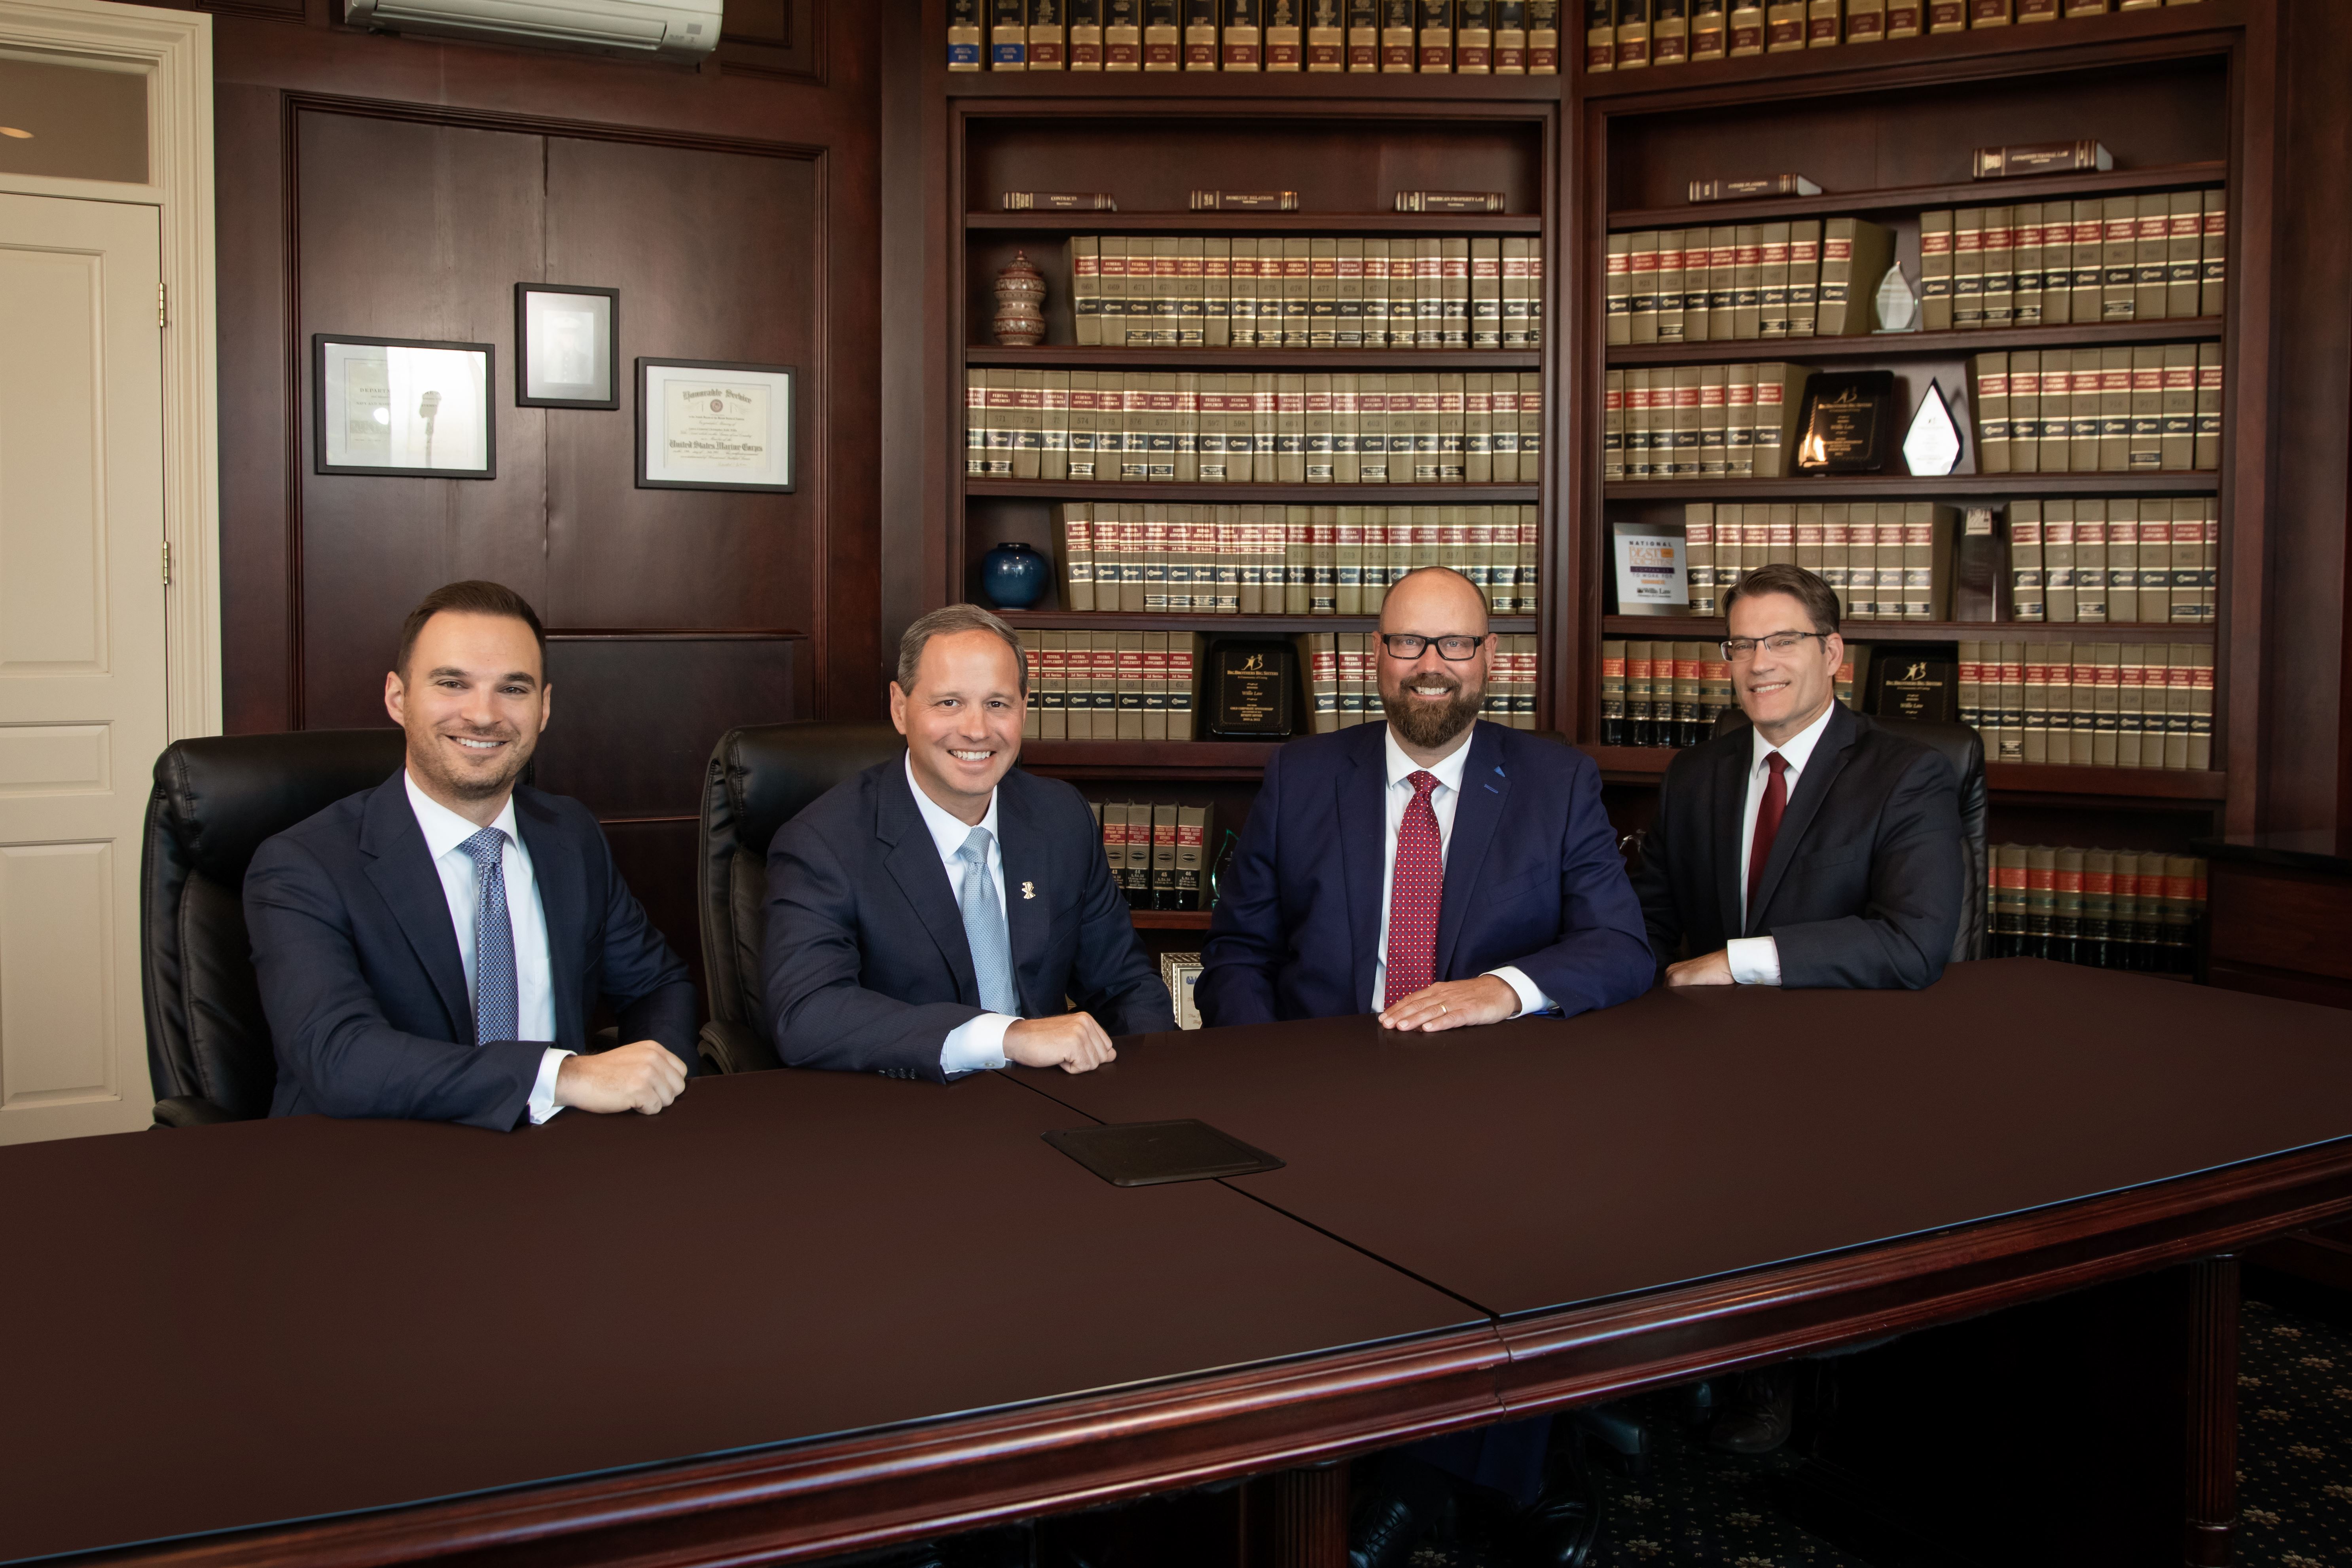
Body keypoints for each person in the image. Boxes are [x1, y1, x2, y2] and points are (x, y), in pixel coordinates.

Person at [1197, 565, 1652, 1568]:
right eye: (1409, 645)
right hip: (1320, 1093)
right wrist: (1264, 1076)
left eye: (1454, 645)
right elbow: (1238, 953)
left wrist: (1501, 989)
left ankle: (1404, 1490)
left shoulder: (1552, 779)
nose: (1431, 667)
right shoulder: (1305, 773)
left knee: (1510, 1233)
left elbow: (1621, 949)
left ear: (1492, 660)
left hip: (1490, 1098)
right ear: (1374, 658)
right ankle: (1494, 1480)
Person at [1630, 562, 1965, 1453]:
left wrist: (1732, 963)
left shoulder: (1907, 775)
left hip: (1839, 1071)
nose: (1757, 663)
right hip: (1697, 1062)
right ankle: (1648, 1366)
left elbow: (1913, 941)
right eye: (1740, 643)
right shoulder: (1695, 773)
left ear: (1832, 653)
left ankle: (1765, 1367)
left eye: (1780, 640)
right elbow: (1649, 920)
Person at [246, 581, 697, 1131]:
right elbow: (340, 1056)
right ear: (397, 697)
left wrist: (654, 1085)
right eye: (452, 683)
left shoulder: (569, 834)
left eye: (513, 688)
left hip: (562, 1164)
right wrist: (561, 1076)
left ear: (544, 707)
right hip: (371, 1167)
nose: (483, 715)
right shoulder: (303, 864)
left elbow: (656, 986)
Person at [763, 604, 1171, 1080]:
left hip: (1050, 1106)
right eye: (949, 703)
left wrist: (1163, 1089)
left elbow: (1123, 986)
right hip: (905, 1114)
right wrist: (1003, 1037)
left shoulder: (1061, 818)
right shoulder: (822, 843)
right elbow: (806, 1014)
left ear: (1024, 706)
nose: (977, 730)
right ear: (900, 709)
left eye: (997, 703)